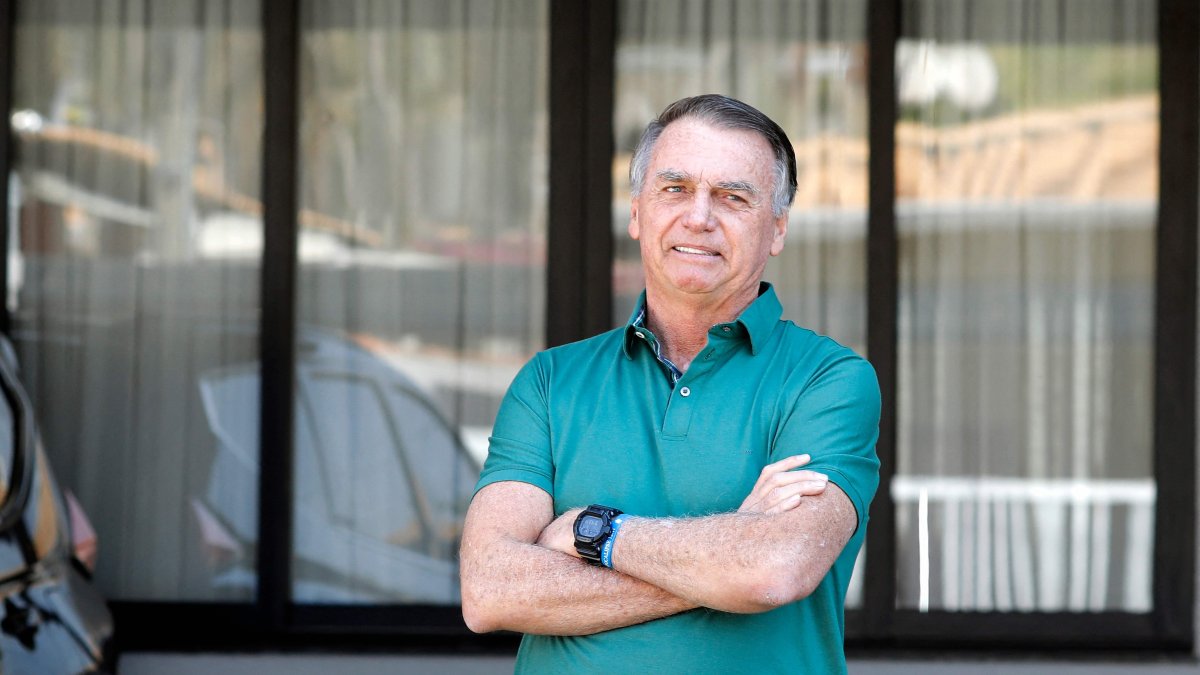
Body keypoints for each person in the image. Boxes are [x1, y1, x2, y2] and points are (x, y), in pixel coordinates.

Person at [459, 94, 880, 674]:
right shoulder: (550, 382)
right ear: (637, 213)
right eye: (674, 189)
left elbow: (774, 570)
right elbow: (490, 591)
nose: (699, 217)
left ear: (777, 229)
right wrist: (728, 551)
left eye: (734, 197)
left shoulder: (828, 381)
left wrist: (592, 531)